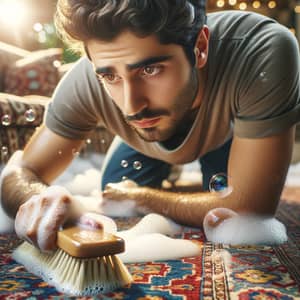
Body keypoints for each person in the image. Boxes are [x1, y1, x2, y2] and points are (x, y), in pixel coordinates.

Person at [1, 0, 299, 251]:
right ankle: (170, 167)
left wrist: (142, 199)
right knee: (112, 191)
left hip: (229, 132)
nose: (132, 106)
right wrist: (40, 201)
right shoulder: (84, 82)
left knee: (229, 211)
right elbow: (21, 172)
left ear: (200, 47)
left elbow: (251, 206)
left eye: (150, 69)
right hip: (143, 145)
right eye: (109, 76)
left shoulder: (262, 48)